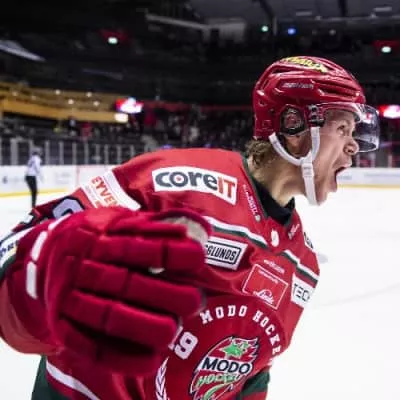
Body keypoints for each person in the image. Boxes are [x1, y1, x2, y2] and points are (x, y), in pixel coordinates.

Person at [0, 56, 380, 400]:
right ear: (293, 126)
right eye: (343, 128)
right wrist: (45, 275)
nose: (354, 147)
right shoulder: (173, 182)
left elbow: (249, 375)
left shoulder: (303, 266)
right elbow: (15, 253)